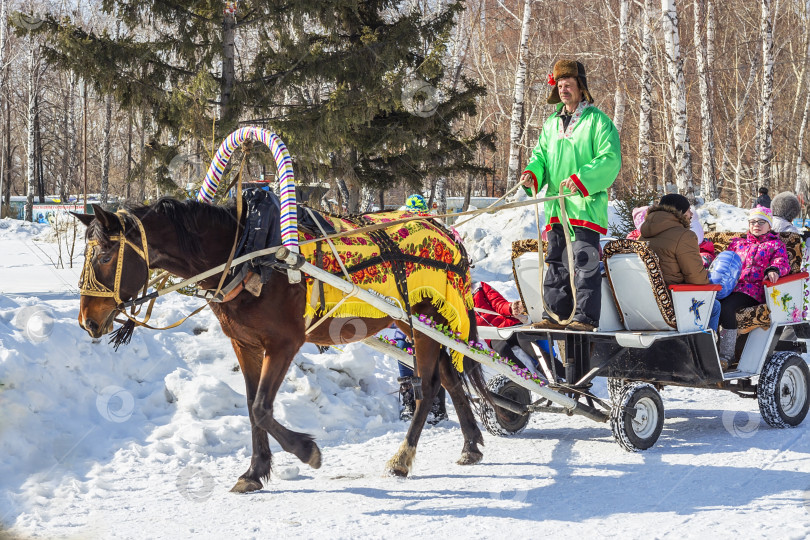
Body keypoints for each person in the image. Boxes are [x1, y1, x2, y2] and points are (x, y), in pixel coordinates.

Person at [519, 59, 621, 332]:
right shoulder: (551, 124)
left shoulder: (599, 121)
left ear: (581, 88)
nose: (564, 90)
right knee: (556, 263)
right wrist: (533, 174)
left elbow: (610, 160)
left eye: (569, 85)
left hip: (584, 205)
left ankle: (584, 319)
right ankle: (554, 315)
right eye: (560, 85)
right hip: (556, 205)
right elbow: (540, 156)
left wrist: (581, 180)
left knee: (585, 262)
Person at [717, 206, 790, 367]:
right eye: (753, 222)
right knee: (712, 305)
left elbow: (781, 261)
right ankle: (708, 350)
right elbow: (724, 261)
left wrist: (774, 269)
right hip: (731, 287)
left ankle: (726, 355)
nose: (756, 225)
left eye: (761, 222)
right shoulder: (738, 243)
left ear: (769, 226)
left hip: (753, 290)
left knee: (726, 307)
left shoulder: (775, 245)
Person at [638, 193, 721, 333]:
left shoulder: (643, 235)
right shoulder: (684, 236)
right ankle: (705, 352)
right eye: (688, 210)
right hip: (672, 301)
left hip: (644, 302)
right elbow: (697, 279)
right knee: (714, 306)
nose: (691, 214)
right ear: (680, 212)